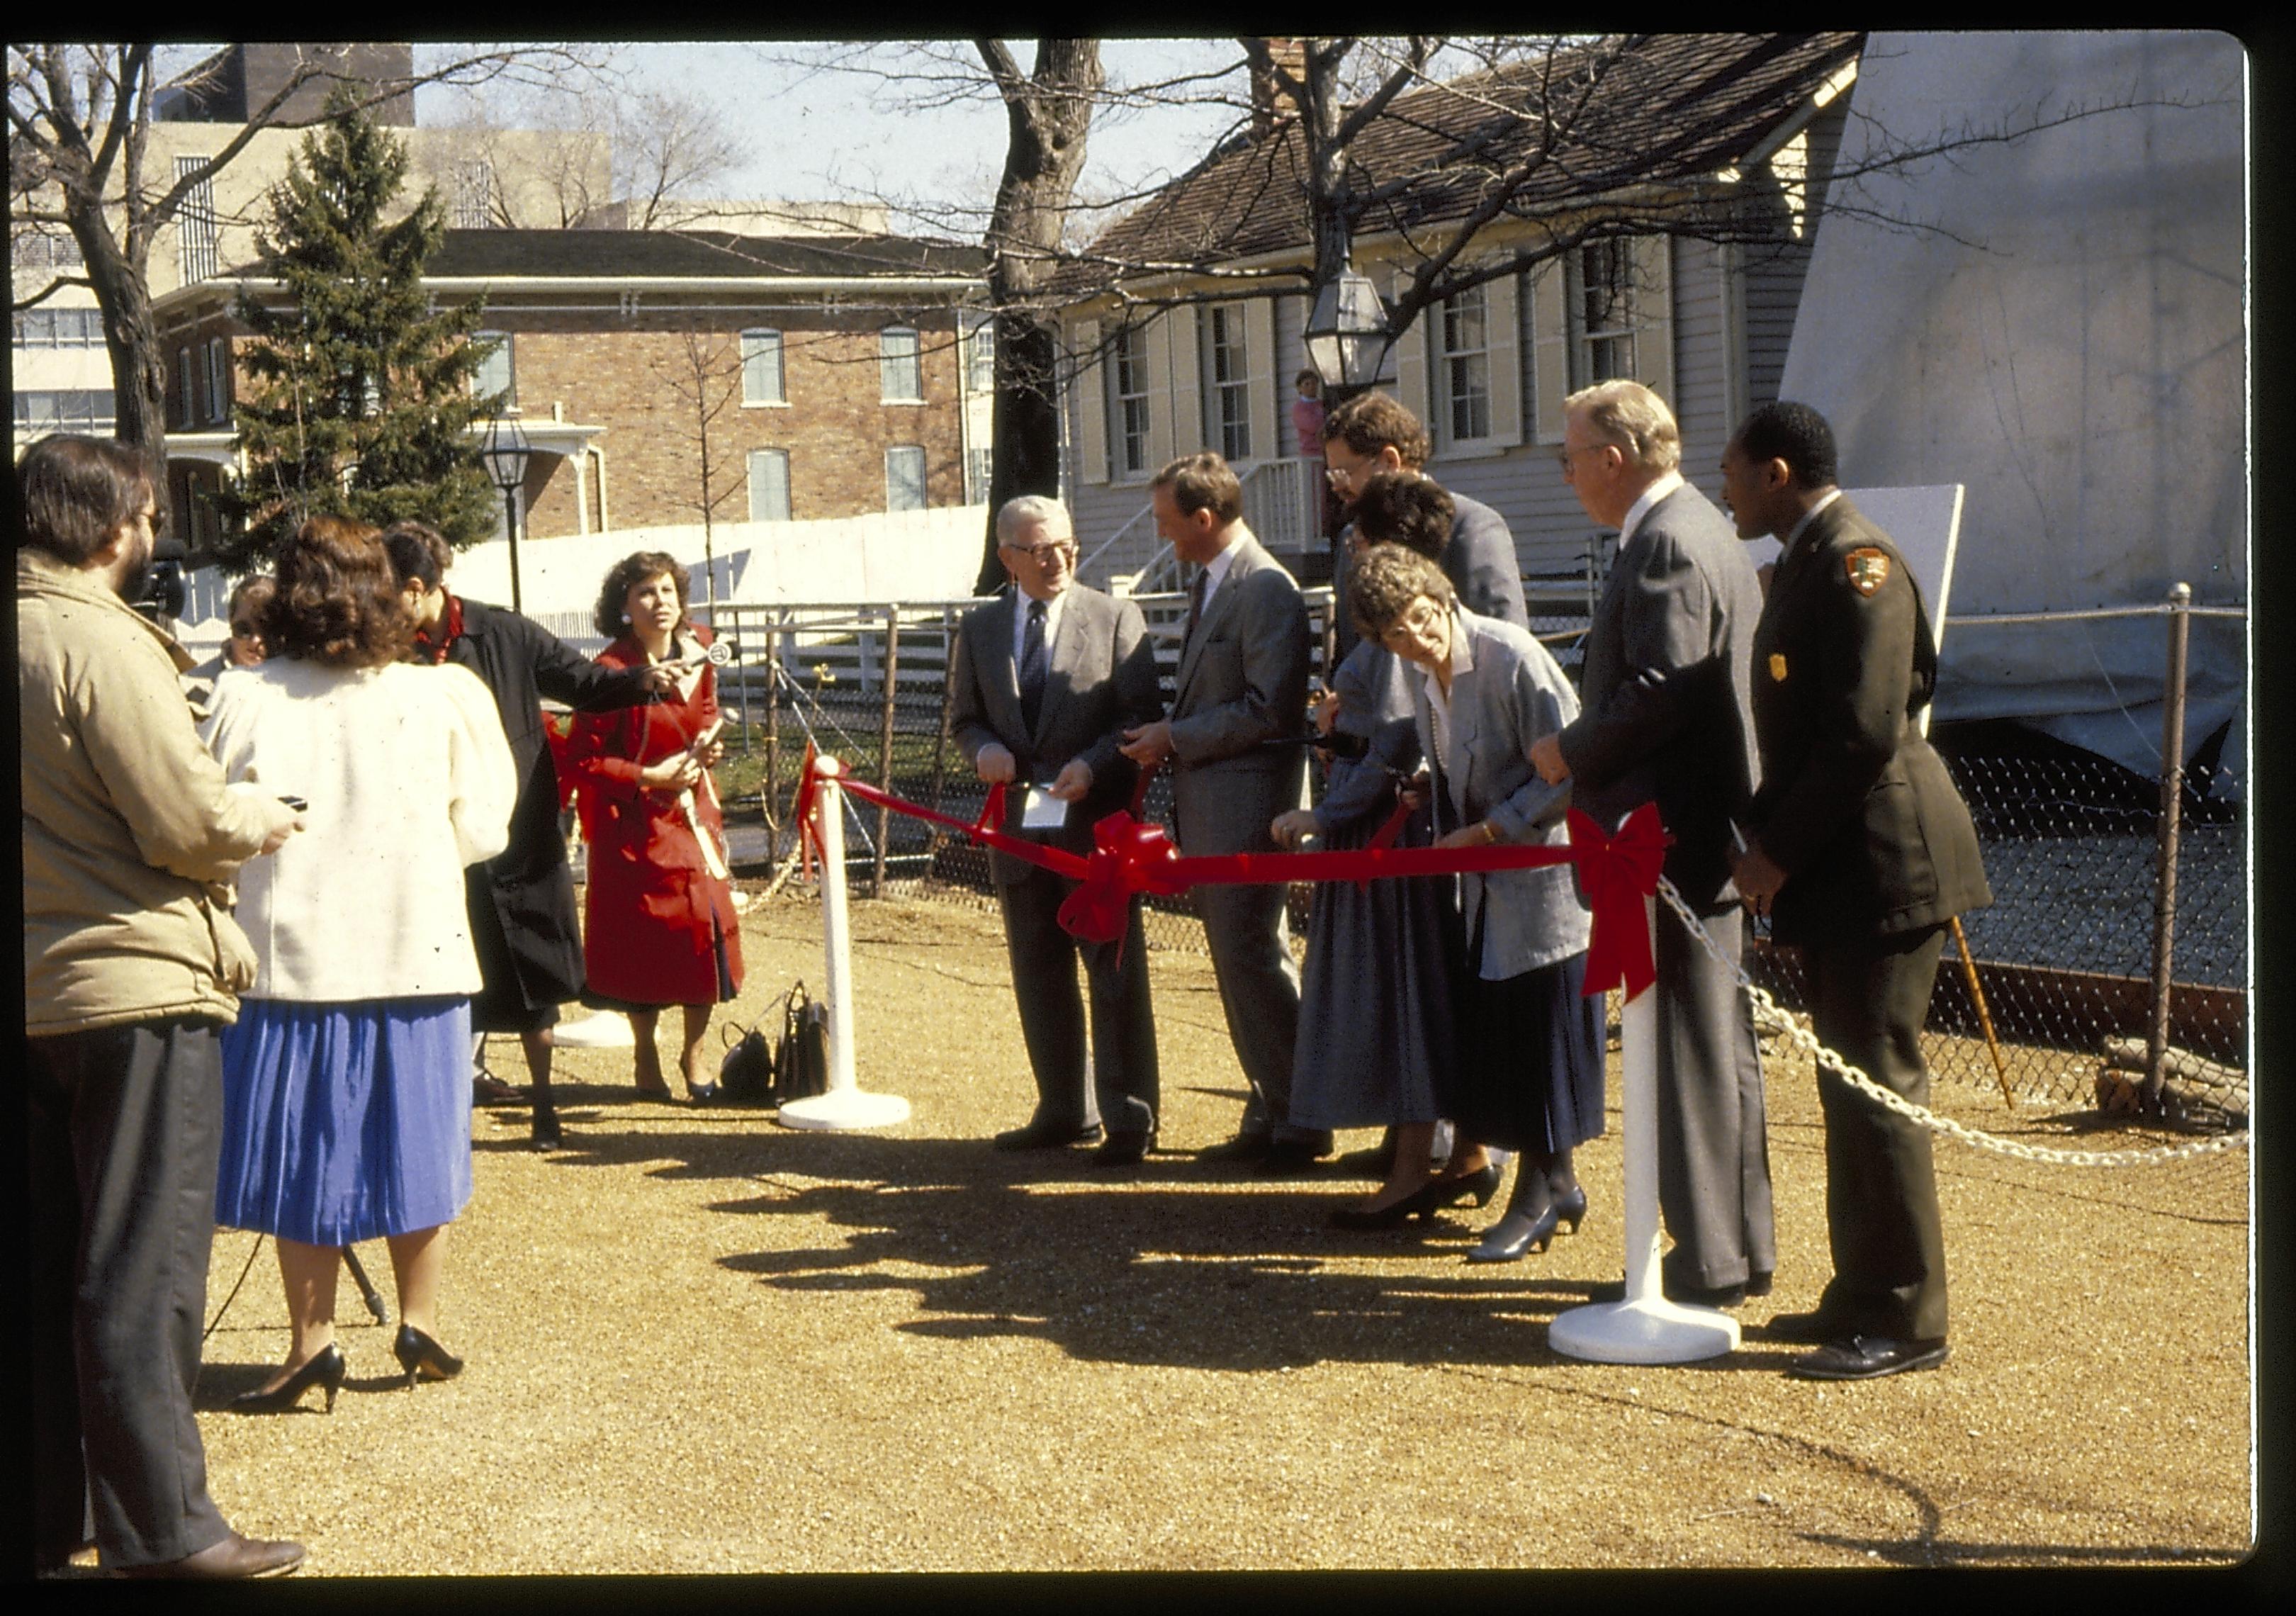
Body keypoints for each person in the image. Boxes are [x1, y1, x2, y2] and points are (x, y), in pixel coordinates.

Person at [21, 436, 308, 1580]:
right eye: (145, 519)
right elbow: (182, 824)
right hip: (136, 984)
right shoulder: (98, 640)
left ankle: (50, 1514)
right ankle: (167, 1530)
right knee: (144, 1268)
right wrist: (258, 815)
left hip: (37, 992)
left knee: (43, 1269)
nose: (153, 538)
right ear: (112, 530)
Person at [203, 517, 517, 1414]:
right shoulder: (442, 695)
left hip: (293, 961)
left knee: (304, 1155)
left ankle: (312, 1343)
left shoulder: (246, 698)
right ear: (389, 591)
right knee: (419, 1141)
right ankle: (419, 1320)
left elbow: (212, 823)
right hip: (414, 951)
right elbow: (484, 824)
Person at [1720, 400, 1992, 1381]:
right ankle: (1859, 1293)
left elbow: (1866, 731)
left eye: (1735, 473)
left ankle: (1910, 1315)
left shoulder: (1854, 562)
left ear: (1778, 473)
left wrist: (1774, 855)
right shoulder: (1809, 560)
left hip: (1886, 859)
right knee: (1848, 1082)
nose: (1727, 490)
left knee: (1881, 1084)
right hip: (1845, 859)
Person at [1526, 379, 1777, 1294]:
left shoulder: (1668, 539)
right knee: (1714, 1050)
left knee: (1687, 1050)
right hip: (1690, 832)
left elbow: (1663, 688)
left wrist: (1568, 749)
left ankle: (1710, 1256)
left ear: (1615, 459)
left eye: (1571, 457)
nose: (1569, 475)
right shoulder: (1701, 527)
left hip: (1664, 835)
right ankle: (1732, 1248)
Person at [1348, 542, 1605, 1255]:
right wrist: (1432, 788)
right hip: (1490, 892)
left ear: (1445, 599)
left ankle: (1542, 1191)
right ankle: (1554, 1187)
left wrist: (1494, 827)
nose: (1415, 639)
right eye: (1395, 634)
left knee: (1546, 1039)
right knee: (1511, 1041)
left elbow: (1568, 768)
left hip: (1547, 884)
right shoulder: (1428, 678)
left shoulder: (1511, 656)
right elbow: (1468, 759)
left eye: (1423, 619)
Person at [384, 523, 673, 1148]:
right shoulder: (388, 650)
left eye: (388, 593)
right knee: (448, 976)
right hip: (436, 837)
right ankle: (444, 1110)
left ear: (417, 588)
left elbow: (579, 681)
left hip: (520, 831)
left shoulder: (502, 633)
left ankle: (546, 1106)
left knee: (535, 971)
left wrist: (640, 682)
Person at [1117, 451, 1322, 1172]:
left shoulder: (1264, 588)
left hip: (1247, 802)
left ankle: (1301, 1116)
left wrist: (1177, 737)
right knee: (1242, 960)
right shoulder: (1220, 582)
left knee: (1251, 955)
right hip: (1215, 798)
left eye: (1169, 522)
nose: (1162, 535)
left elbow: (1270, 709)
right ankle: (1276, 1105)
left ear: (1205, 519)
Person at [950, 495, 1165, 1165]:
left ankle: (1131, 1119)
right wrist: (981, 749)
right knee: (1037, 970)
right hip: (1020, 831)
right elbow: (965, 719)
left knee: (1113, 973)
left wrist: (1090, 764)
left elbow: (1138, 718)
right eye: (1040, 549)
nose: (1058, 559)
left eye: (1066, 544)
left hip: (1092, 832)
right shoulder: (981, 630)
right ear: (1007, 557)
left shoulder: (1114, 617)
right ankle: (1063, 1109)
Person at [1271, 488, 1463, 1225]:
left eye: (1357, 538)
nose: (1348, 549)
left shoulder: (1392, 638)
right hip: (1382, 830)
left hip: (1386, 844)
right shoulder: (1392, 634)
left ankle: (1414, 1168)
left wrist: (1325, 812)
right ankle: (1416, 1157)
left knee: (1402, 1001)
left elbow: (1389, 746)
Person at [565, 551, 746, 1098]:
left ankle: (694, 1055)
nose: (659, 602)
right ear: (624, 606)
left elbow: (708, 710)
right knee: (643, 945)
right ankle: (645, 1055)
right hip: (634, 822)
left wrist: (708, 748)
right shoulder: (607, 674)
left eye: (666, 590)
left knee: (707, 933)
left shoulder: (700, 650)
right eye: (644, 592)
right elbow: (585, 760)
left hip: (693, 815)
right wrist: (648, 775)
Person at [1322, 389, 1529, 657]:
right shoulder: (1350, 539)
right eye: (1332, 476)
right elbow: (1349, 649)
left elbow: (1506, 648)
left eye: (1344, 473)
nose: (1338, 488)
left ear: (1389, 461)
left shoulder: (1471, 528)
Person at [181, 573, 276, 708]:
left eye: (266, 629)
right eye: (244, 629)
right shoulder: (192, 686)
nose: (255, 640)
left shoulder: (295, 683)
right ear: (231, 621)